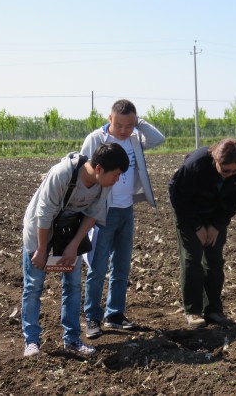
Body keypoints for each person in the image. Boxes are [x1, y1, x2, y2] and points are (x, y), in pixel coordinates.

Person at [21, 143, 129, 357]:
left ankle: (72, 340)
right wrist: (42, 250)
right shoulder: (62, 174)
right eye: (115, 175)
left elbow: (92, 215)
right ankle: (31, 342)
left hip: (69, 230)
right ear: (98, 169)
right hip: (39, 229)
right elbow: (43, 215)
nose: (116, 180)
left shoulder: (104, 183)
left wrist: (73, 247)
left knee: (72, 285)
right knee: (34, 285)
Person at [82, 99, 165, 339]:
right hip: (102, 212)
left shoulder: (135, 138)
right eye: (119, 125)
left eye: (129, 125)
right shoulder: (96, 140)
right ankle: (92, 318)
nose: (124, 130)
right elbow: (85, 170)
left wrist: (138, 123)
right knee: (97, 266)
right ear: (109, 119)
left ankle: (115, 314)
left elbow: (158, 139)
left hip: (126, 210)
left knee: (122, 265)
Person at [168, 138, 236, 328]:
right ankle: (193, 311)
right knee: (192, 258)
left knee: (214, 260)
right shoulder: (194, 165)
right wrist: (197, 227)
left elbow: (234, 201)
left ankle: (213, 309)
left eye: (234, 171)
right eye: (225, 170)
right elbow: (178, 198)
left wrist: (216, 226)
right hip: (189, 214)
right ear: (215, 159)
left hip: (215, 215)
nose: (230, 174)